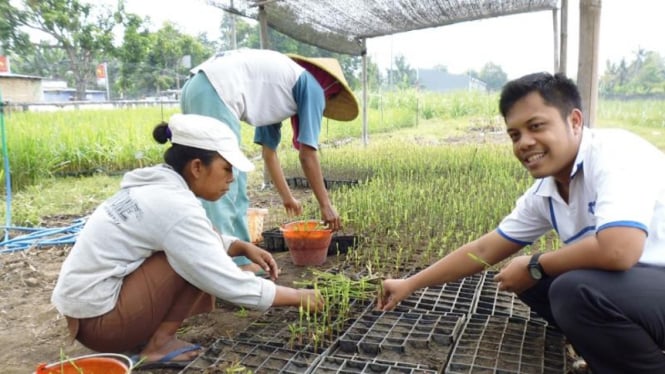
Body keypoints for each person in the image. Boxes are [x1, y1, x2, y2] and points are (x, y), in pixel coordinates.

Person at [377, 72, 665, 374]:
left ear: (575, 121)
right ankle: (610, 346)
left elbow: (619, 250)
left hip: (654, 278)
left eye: (536, 126)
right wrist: (409, 284)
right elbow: (485, 249)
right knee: (533, 281)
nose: (525, 143)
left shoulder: (614, 153)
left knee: (571, 290)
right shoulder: (547, 191)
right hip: (638, 285)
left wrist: (535, 264)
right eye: (515, 135)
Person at [51, 113, 323, 369]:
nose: (231, 179)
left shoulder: (159, 187)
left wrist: (239, 246)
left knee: (196, 248)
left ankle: (154, 337)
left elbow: (199, 234)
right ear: (196, 167)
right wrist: (300, 297)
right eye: (226, 169)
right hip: (101, 323)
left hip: (88, 312)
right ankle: (159, 345)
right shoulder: (175, 206)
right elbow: (226, 282)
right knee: (194, 260)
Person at [180, 48, 359, 269]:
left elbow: (269, 153)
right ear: (329, 90)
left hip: (196, 86)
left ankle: (207, 256)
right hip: (217, 90)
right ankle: (233, 264)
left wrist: (287, 198)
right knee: (224, 178)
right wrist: (326, 205)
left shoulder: (278, 90)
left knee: (205, 178)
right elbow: (307, 155)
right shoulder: (313, 87)